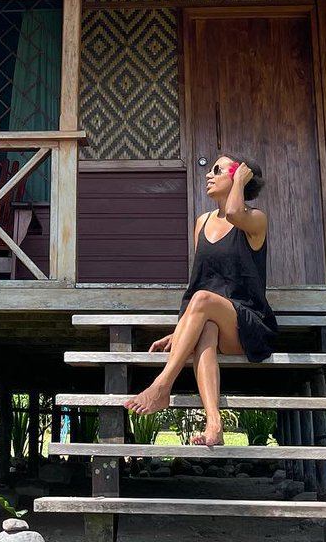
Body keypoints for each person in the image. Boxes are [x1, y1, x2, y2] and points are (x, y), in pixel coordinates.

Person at [123, 156, 278, 447]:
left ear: (238, 177)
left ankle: (162, 385)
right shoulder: (202, 222)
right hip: (212, 317)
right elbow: (200, 283)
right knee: (205, 326)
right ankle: (214, 425)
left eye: (217, 170)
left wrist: (241, 180)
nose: (209, 174)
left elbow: (233, 212)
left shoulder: (255, 219)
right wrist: (182, 331)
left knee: (203, 301)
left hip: (248, 323)